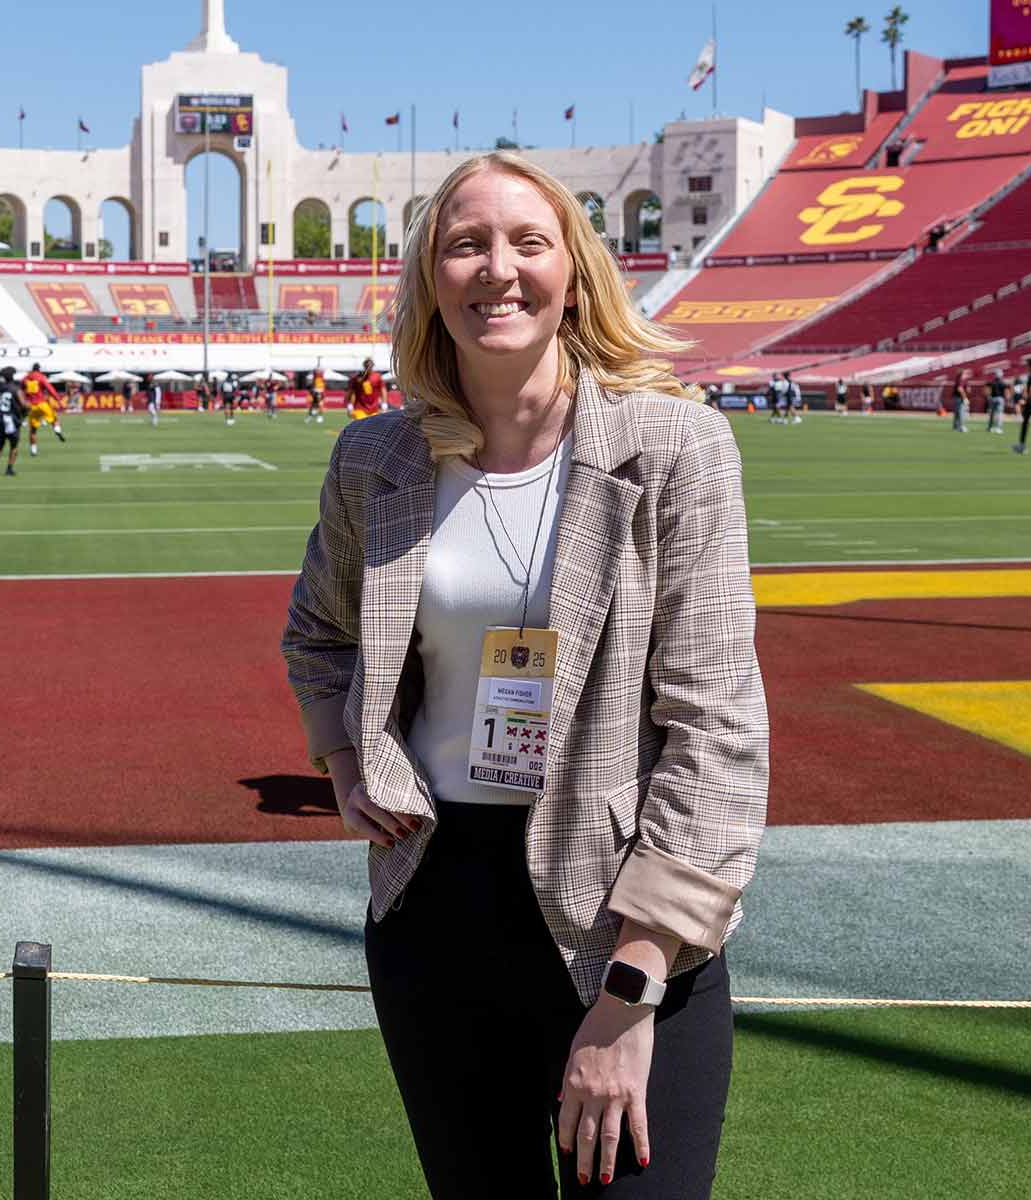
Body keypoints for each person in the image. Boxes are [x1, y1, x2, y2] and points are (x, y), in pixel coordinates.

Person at [282, 151, 768, 1200]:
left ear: (575, 274)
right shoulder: (378, 459)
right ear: (430, 280)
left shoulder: (676, 447)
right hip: (435, 905)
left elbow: (718, 731)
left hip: (623, 913)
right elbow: (318, 634)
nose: (496, 269)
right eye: (466, 243)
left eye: (527, 242)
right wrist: (344, 760)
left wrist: (631, 993)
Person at [22, 363, 67, 457]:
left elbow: (21, 391)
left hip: (31, 406)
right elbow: (50, 389)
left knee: (33, 430)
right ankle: (57, 430)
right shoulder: (41, 377)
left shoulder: (25, 378)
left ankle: (33, 450)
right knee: (54, 419)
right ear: (39, 369)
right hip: (42, 404)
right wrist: (58, 399)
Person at [0, 367, 25, 476]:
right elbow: (23, 404)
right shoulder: (15, 388)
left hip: (0, 418)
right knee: (13, 445)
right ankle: (9, 469)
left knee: (0, 443)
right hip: (11, 419)